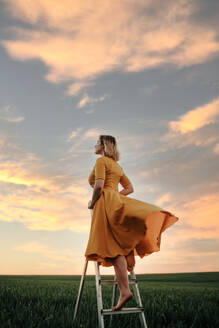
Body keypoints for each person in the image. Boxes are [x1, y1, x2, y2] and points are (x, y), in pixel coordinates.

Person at [85, 135, 179, 311]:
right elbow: (130, 188)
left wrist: (93, 202)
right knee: (117, 241)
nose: (95, 145)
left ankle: (125, 290)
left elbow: (98, 186)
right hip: (114, 202)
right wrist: (115, 196)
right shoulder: (118, 166)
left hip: (104, 204)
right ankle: (128, 257)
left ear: (104, 146)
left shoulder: (101, 162)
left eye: (97, 143)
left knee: (110, 245)